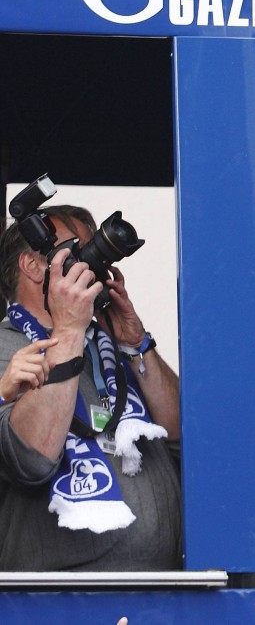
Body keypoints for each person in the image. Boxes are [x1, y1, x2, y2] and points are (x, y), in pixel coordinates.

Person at [0, 206, 182, 569]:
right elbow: (31, 460)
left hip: (160, 592)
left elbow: (181, 435)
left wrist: (135, 344)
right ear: (34, 267)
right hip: (60, 603)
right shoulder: (8, 349)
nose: (93, 267)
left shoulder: (106, 347)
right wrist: (66, 332)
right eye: (79, 253)